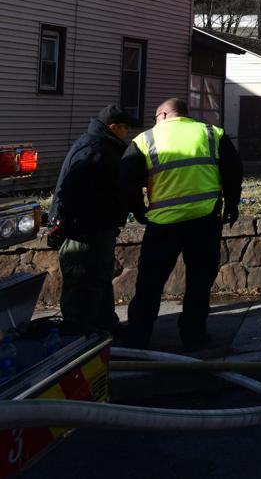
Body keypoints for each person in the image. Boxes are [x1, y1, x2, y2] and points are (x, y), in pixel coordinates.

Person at [120, 98, 243, 351]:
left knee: (150, 283)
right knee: (199, 281)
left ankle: (138, 338)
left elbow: (126, 179)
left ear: (163, 114)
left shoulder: (145, 139)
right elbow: (233, 170)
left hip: (164, 223)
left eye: (156, 117)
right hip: (205, 219)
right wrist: (232, 204)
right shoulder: (211, 133)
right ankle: (193, 335)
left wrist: (139, 210)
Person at [50, 104, 137, 335]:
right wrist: (64, 221)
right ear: (113, 127)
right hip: (84, 231)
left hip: (97, 228)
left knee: (98, 279)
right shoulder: (95, 149)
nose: (127, 133)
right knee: (81, 283)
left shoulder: (102, 146)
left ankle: (104, 325)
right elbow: (69, 189)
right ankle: (78, 335)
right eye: (125, 128)